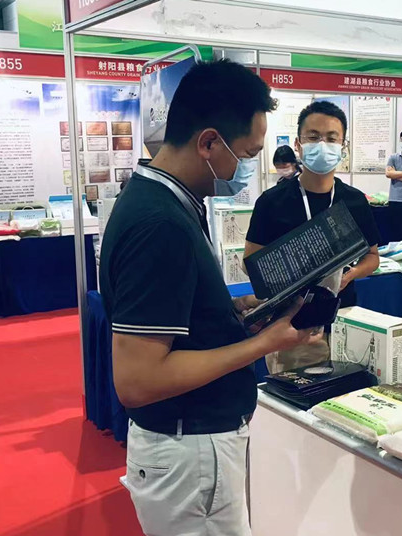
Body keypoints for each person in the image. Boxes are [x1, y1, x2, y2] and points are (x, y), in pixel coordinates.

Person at [99, 60, 321, 536]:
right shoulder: (160, 225)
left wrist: (226, 312)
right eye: (247, 153)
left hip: (193, 446)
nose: (247, 168)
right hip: (190, 452)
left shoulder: (170, 201)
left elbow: (175, 316)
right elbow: (137, 380)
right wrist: (263, 345)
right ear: (208, 143)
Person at [245, 101, 381, 372]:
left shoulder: (354, 201)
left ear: (343, 146)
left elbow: (372, 257)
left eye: (331, 138)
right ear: (298, 144)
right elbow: (250, 262)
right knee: (297, 396)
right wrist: (290, 276)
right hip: (294, 327)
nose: (322, 144)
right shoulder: (272, 202)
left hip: (345, 321)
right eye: (313, 137)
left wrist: (351, 274)